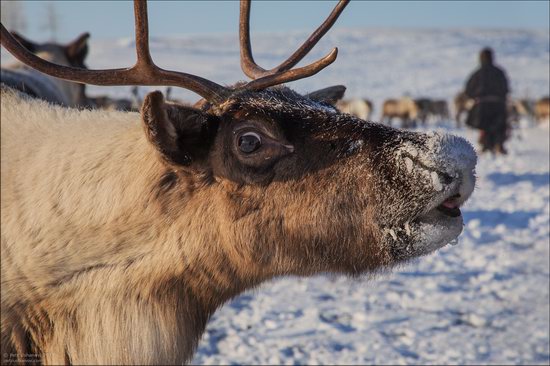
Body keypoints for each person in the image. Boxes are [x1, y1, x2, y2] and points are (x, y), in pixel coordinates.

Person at [464, 47, 510, 155]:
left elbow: (468, 90)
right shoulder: (499, 72)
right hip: (499, 104)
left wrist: (475, 97)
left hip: (482, 106)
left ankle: (486, 145)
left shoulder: (477, 73)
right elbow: (506, 88)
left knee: (484, 125)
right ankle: (499, 145)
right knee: (498, 125)